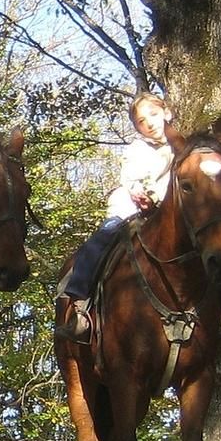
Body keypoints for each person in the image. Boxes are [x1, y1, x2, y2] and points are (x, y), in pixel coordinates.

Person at [57, 93, 175, 342]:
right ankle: (79, 303)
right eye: (142, 121)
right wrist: (139, 192)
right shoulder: (137, 149)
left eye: (153, 115)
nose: (150, 123)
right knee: (100, 241)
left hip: (170, 216)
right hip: (130, 212)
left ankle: (218, 310)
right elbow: (131, 178)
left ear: (166, 112)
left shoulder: (183, 146)